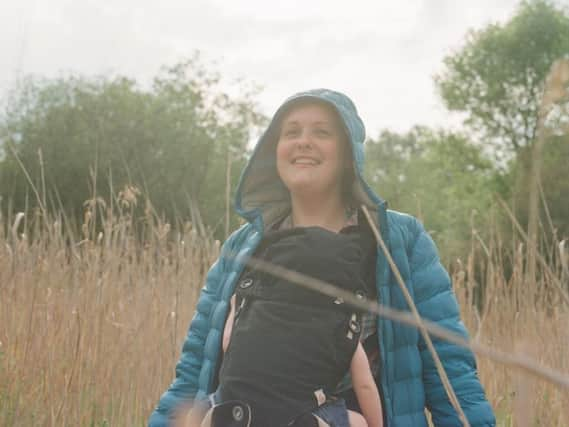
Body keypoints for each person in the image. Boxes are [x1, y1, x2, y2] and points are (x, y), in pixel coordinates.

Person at [149, 89, 496, 427]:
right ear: (274, 151)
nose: (303, 141)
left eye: (322, 132)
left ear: (349, 154)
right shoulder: (243, 248)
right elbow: (196, 369)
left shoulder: (398, 241)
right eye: (292, 132)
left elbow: (451, 373)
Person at [185, 224, 384, 427]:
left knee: (197, 412)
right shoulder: (341, 324)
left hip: (235, 405)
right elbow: (365, 386)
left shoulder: (260, 309)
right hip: (297, 415)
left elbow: (228, 343)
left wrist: (235, 305)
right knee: (359, 422)